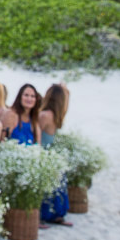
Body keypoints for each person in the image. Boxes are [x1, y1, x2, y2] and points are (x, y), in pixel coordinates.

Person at [38, 83, 72, 226]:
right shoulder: (57, 117)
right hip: (51, 153)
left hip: (44, 152)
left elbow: (37, 135)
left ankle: (44, 215)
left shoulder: (45, 115)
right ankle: (57, 214)